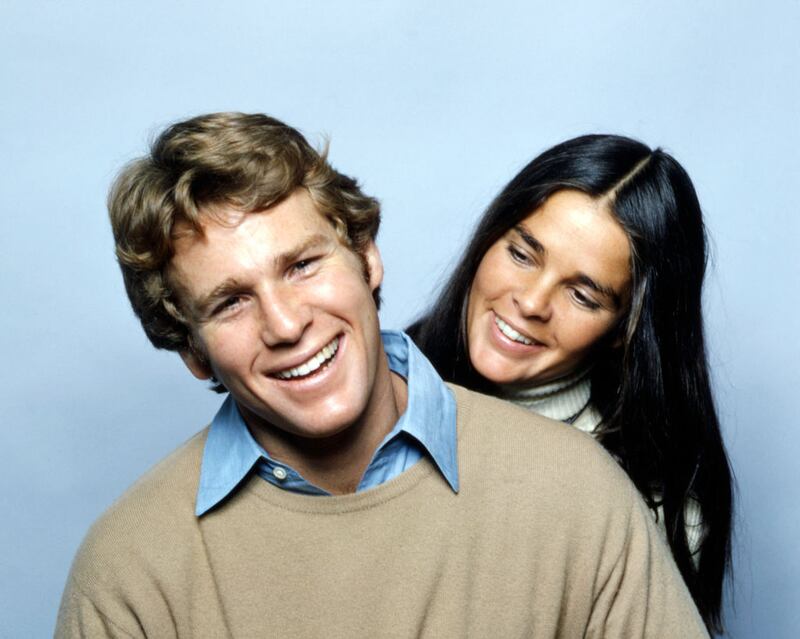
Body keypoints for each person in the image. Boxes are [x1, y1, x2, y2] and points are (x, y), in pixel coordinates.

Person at [56, 115, 709, 637]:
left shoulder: (587, 492)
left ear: (368, 258)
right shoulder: (128, 570)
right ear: (193, 351)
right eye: (230, 301)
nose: (285, 323)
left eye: (302, 265)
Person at [407, 134, 733, 633]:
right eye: (522, 255)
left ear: (626, 330)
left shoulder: (651, 500)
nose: (531, 302)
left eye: (582, 295)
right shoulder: (381, 383)